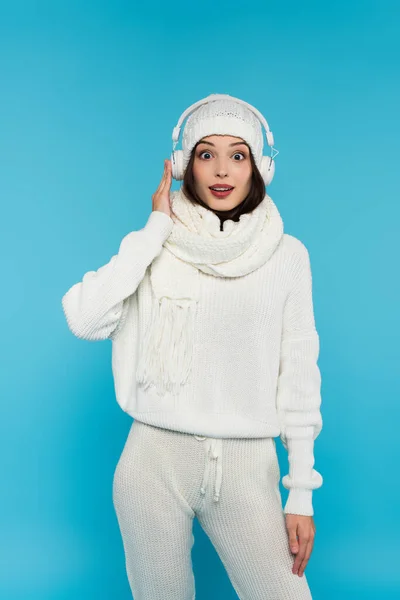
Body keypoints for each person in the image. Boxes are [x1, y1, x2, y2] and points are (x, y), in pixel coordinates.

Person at [61, 94, 323, 599]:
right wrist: (154, 227)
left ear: (259, 166)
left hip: (249, 466)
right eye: (206, 154)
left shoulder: (289, 256)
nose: (222, 169)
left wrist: (302, 494)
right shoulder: (154, 246)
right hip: (153, 461)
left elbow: (299, 375)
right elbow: (84, 318)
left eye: (238, 154)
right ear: (184, 166)